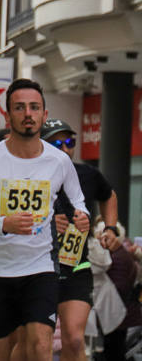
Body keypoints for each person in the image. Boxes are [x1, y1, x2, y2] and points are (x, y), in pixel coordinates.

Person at [0, 78, 89, 361]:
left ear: (44, 115)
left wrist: (83, 217)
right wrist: (3, 224)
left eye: (34, 108)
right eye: (19, 108)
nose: (28, 114)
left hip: (40, 269)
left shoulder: (59, 161)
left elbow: (79, 202)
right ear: (7, 116)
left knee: (41, 346)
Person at [44, 117, 118, 361]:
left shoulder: (86, 174)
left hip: (77, 265)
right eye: (57, 144)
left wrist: (110, 228)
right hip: (38, 268)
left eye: (69, 142)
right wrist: (46, 223)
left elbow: (109, 195)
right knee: (36, 344)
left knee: (74, 340)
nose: (65, 149)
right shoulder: (30, 174)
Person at [100, 225, 140, 360]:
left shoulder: (116, 257)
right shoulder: (121, 255)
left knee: (114, 352)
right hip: (121, 316)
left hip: (119, 317)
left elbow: (119, 288)